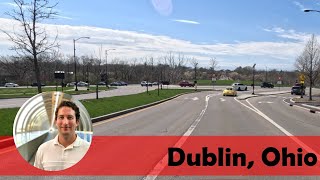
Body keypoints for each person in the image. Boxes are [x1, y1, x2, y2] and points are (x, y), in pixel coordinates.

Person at [34, 101, 90, 171]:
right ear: (55, 122)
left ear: (77, 122)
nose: (65, 122)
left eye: (70, 117)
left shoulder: (88, 150)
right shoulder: (42, 150)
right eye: (61, 117)